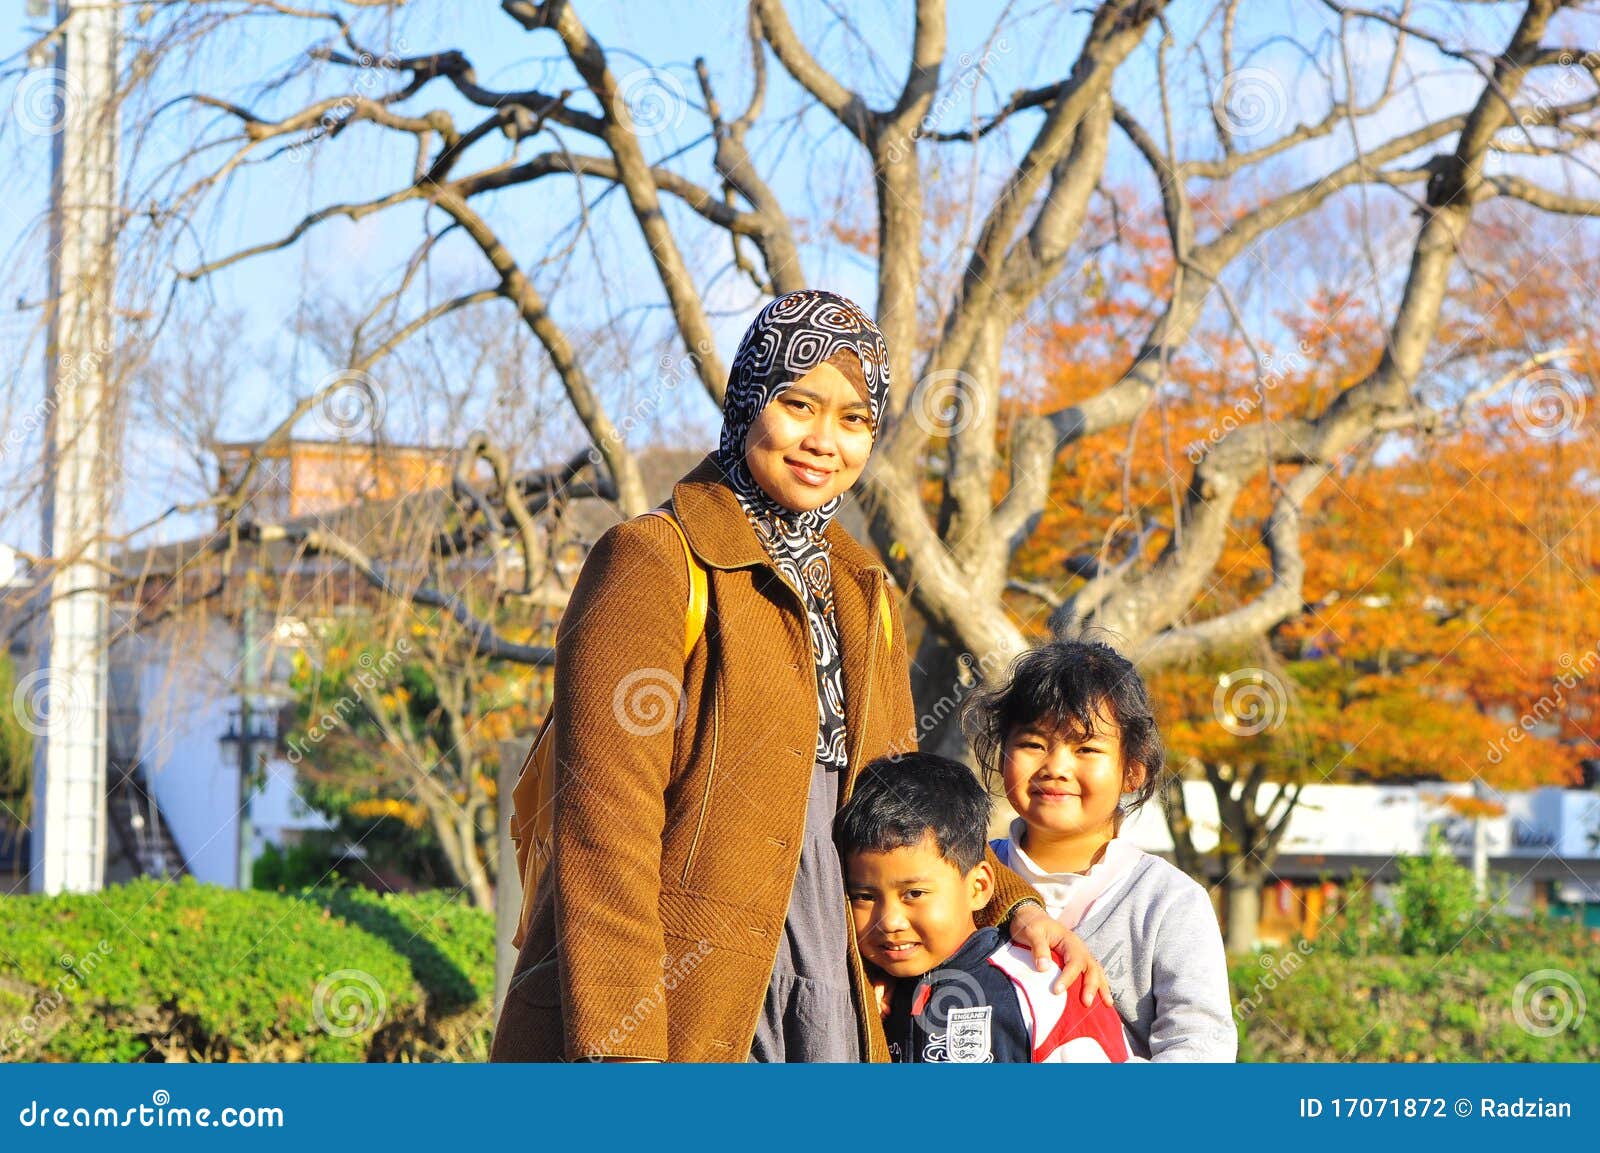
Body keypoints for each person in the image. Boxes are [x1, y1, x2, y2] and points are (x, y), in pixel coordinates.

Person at [491, 289, 1102, 1064]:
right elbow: (605, 825)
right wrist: (624, 1052)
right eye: (797, 403)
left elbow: (902, 802)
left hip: (833, 981)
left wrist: (1014, 907)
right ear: (750, 400)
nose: (824, 440)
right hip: (685, 998)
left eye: (854, 420)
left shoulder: (861, 585)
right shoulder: (652, 558)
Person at [966, 640, 1238, 1061]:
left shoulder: (1169, 903)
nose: (1055, 767)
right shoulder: (963, 878)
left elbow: (1199, 1047)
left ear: (1133, 770)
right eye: (1033, 744)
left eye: (1086, 748)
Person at [835, 753, 1132, 1063]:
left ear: (978, 887)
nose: (890, 921)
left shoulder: (1046, 984)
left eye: (915, 893)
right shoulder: (862, 991)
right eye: (864, 897)